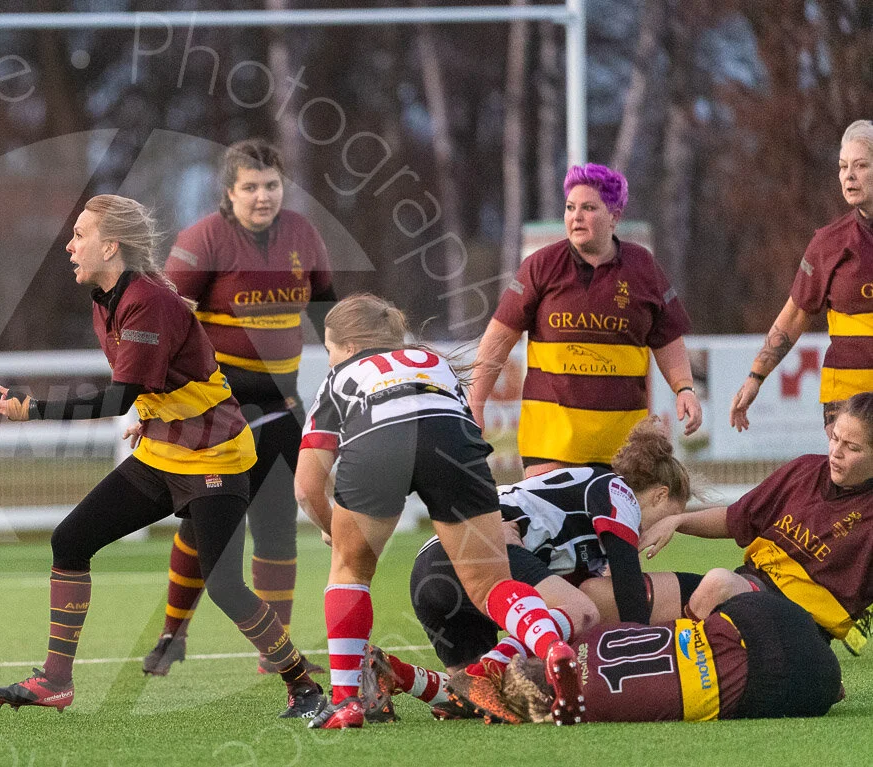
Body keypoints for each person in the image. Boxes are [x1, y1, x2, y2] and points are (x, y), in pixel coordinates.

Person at [0, 195, 324, 718]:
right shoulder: (105, 298)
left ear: (111, 245)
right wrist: (152, 409)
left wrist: (33, 410)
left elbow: (119, 395)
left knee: (226, 586)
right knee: (70, 540)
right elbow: (156, 378)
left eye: (80, 235)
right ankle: (55, 679)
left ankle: (305, 688)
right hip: (165, 450)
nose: (70, 246)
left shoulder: (146, 300)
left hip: (215, 456)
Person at [293, 294, 583, 730]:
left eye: (332, 351)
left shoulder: (341, 377)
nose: (332, 360)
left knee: (350, 572)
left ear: (348, 347)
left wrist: (331, 528)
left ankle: (346, 702)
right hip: (453, 444)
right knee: (491, 584)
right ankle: (548, 646)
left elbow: (306, 486)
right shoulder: (434, 362)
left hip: (378, 445)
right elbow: (459, 425)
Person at [142, 139, 336, 677]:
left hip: (281, 406)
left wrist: (355, 368)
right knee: (204, 526)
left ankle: (276, 655)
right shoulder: (204, 238)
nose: (262, 196)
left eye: (271, 185)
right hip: (217, 412)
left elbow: (329, 315)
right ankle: (171, 636)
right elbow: (166, 321)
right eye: (250, 186)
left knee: (276, 527)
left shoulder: (303, 235)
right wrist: (155, 396)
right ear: (229, 193)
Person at [401, 417, 699, 718]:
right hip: (482, 551)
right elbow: (629, 593)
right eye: (669, 517)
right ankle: (485, 670)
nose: (662, 530)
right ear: (660, 494)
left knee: (476, 699)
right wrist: (645, 661)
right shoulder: (618, 491)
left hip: (430, 570)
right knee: (583, 611)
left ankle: (399, 674)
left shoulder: (588, 533)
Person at [467, 163, 700, 478]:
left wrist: (685, 388)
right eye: (570, 207)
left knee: (618, 529)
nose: (576, 216)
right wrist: (476, 402)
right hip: (549, 445)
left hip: (624, 449)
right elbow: (498, 339)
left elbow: (668, 338)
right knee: (552, 527)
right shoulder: (540, 265)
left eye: (589, 208)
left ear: (614, 217)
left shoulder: (643, 267)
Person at [643, 390, 873, 655]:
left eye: (852, 447)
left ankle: (670, 664)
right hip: (746, 587)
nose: (836, 452)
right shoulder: (805, 469)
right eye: (834, 439)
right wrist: (678, 520)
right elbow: (737, 518)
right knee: (612, 596)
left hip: (798, 631)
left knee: (718, 583)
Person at [484, 591, 842, 724]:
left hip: (774, 679)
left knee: (821, 689)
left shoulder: (582, 710)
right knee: (717, 589)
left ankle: (834, 685)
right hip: (760, 613)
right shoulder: (587, 637)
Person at [730, 120, 873, 431]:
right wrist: (757, 376)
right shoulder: (829, 242)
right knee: (852, 480)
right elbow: (795, 313)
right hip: (847, 400)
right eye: (842, 166)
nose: (848, 175)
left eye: (860, 165)